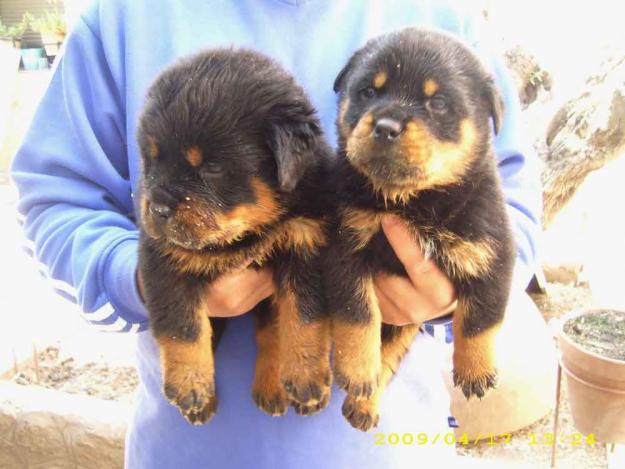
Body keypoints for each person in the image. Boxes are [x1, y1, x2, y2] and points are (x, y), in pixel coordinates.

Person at [11, 0, 551, 467]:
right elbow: (56, 193)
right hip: (191, 451)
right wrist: (136, 276)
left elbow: (514, 199)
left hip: (390, 444)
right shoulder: (123, 17)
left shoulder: (443, 16)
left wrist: (454, 295)